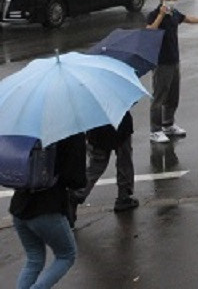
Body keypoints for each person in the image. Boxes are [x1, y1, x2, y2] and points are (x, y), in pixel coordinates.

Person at [10, 132, 87, 289]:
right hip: (48, 208)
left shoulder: (29, 129)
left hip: (20, 206)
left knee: (34, 259)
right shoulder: (71, 133)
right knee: (66, 255)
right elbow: (77, 181)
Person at [146, 0, 198, 143]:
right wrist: (161, 16)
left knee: (173, 95)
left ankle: (168, 124)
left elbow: (187, 19)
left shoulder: (174, 13)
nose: (171, 2)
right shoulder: (154, 14)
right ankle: (155, 130)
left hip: (174, 59)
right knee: (159, 96)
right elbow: (149, 32)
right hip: (160, 61)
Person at [69, 112, 138, 221]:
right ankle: (124, 196)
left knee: (95, 167)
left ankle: (77, 195)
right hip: (120, 125)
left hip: (97, 128)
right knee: (124, 162)